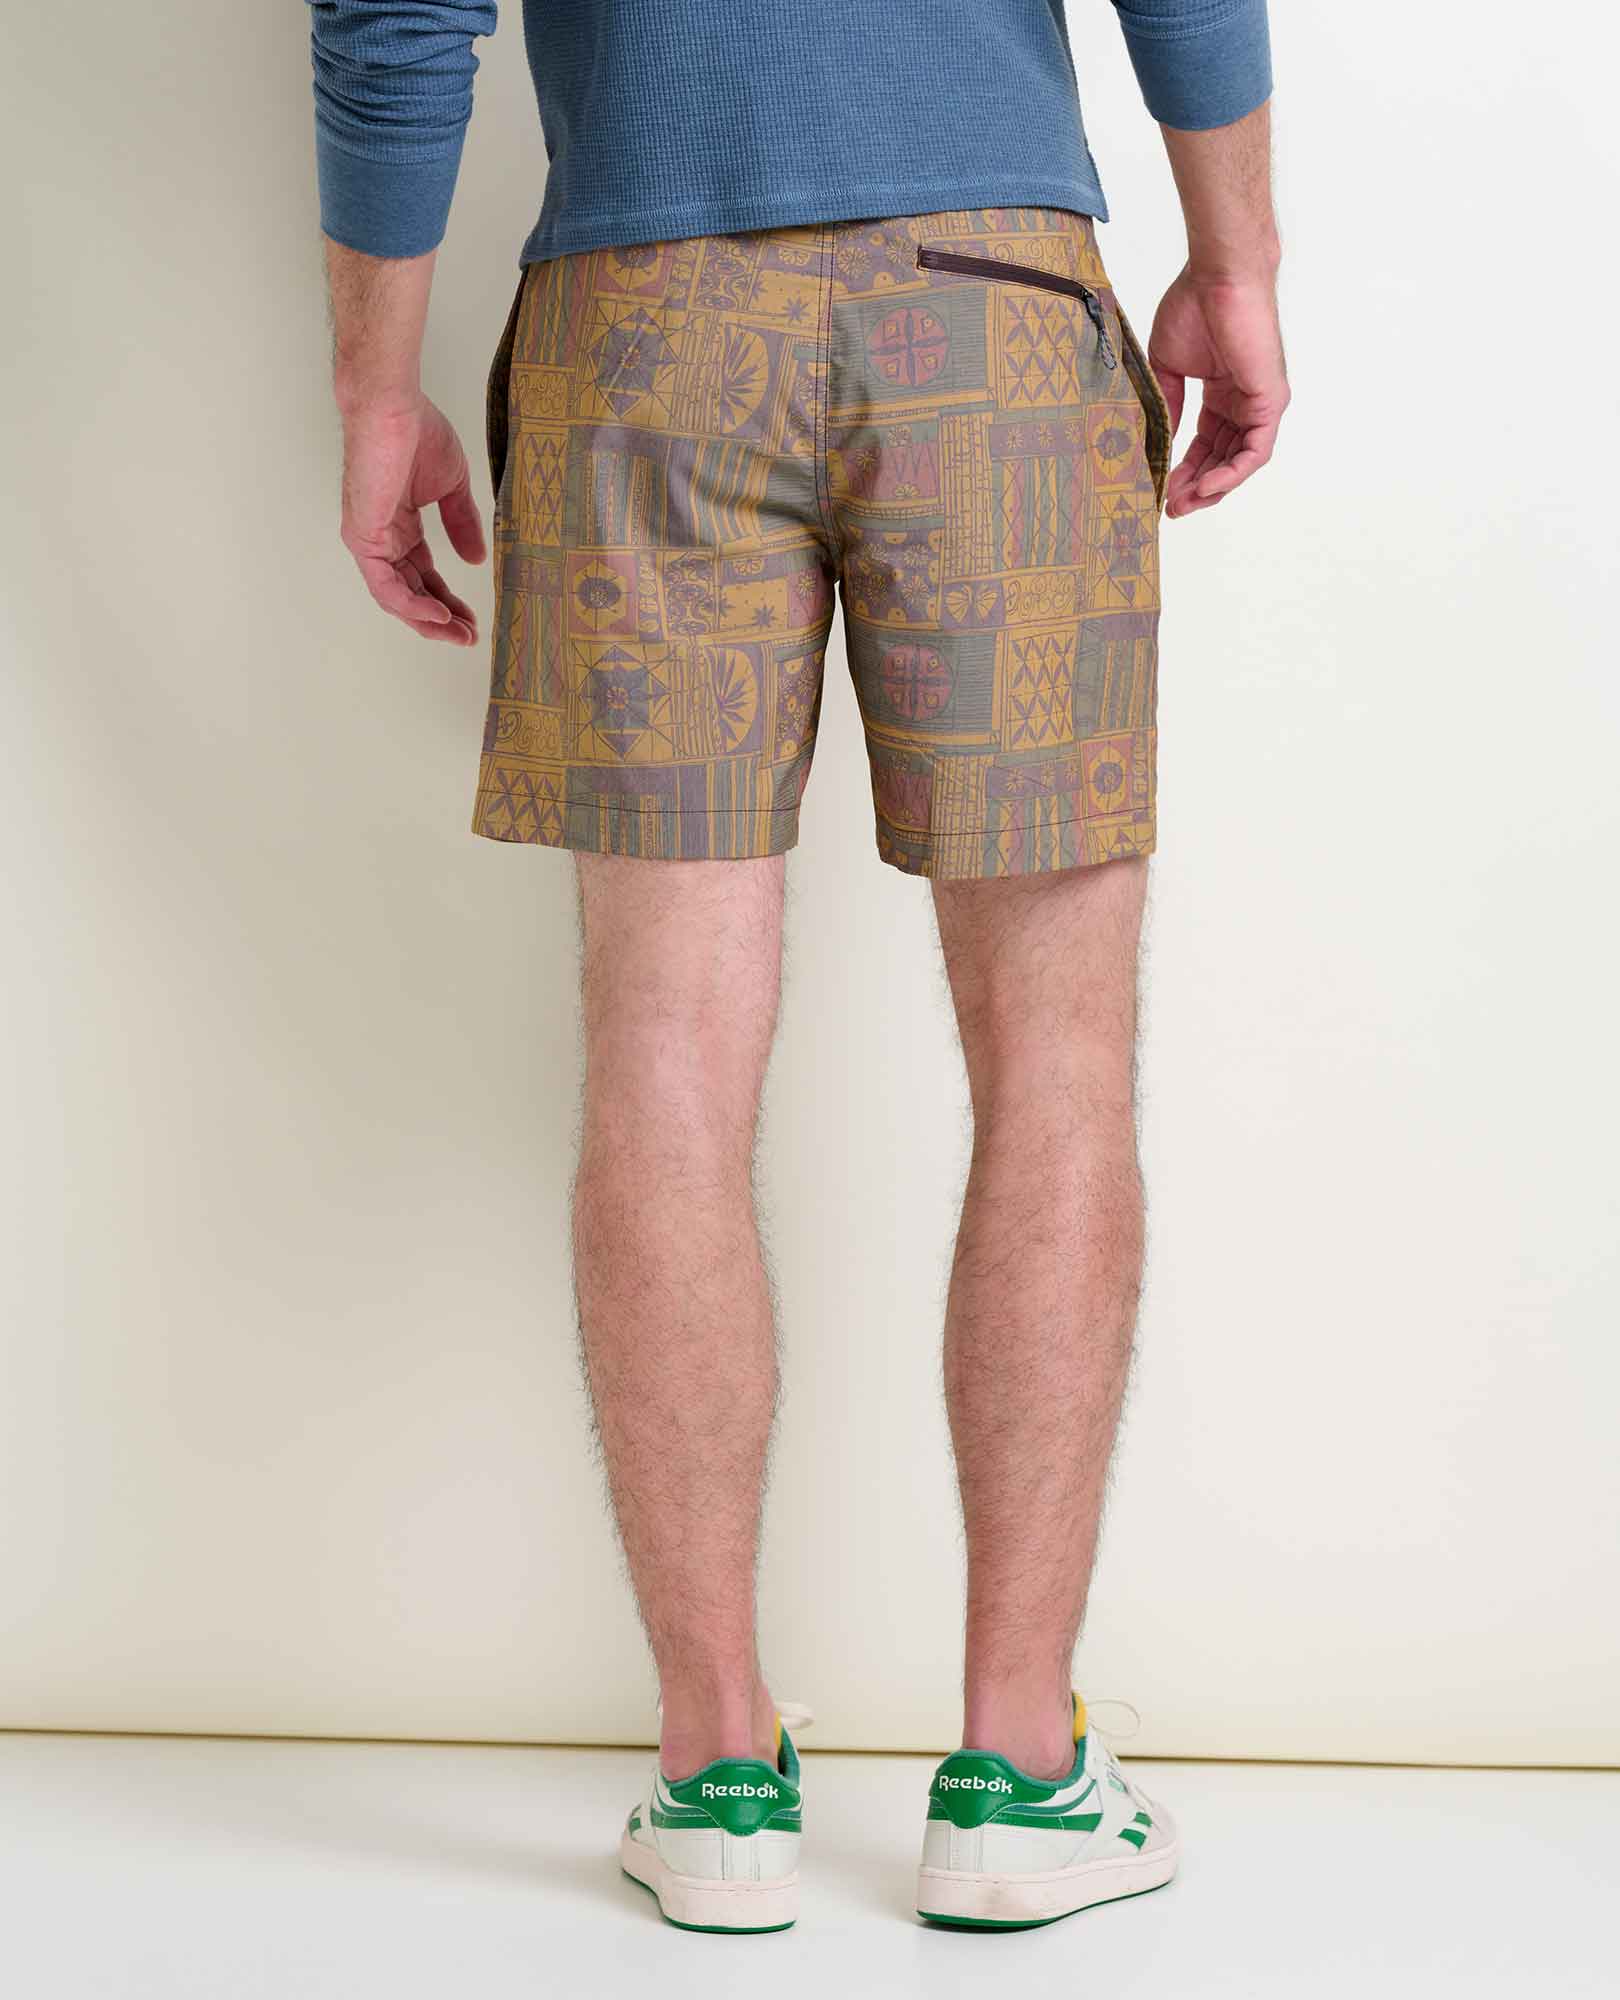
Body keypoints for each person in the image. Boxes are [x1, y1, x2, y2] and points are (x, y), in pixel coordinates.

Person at [307, 0, 1287, 1935]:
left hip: (646, 320)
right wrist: (1236, 259)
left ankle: (716, 1778)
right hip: (997, 311)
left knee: (665, 1069)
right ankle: (1020, 1776)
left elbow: (395, 18)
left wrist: (374, 386)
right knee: (1056, 1062)